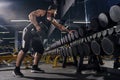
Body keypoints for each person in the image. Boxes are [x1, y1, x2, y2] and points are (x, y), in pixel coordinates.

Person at [13, 4, 74, 77]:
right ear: (52, 10)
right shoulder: (42, 12)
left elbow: (60, 26)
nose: (56, 13)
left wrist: (69, 31)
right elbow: (31, 15)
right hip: (28, 31)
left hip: (35, 35)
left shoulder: (51, 19)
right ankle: (16, 70)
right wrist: (36, 25)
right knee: (24, 49)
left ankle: (34, 67)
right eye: (56, 11)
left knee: (40, 50)